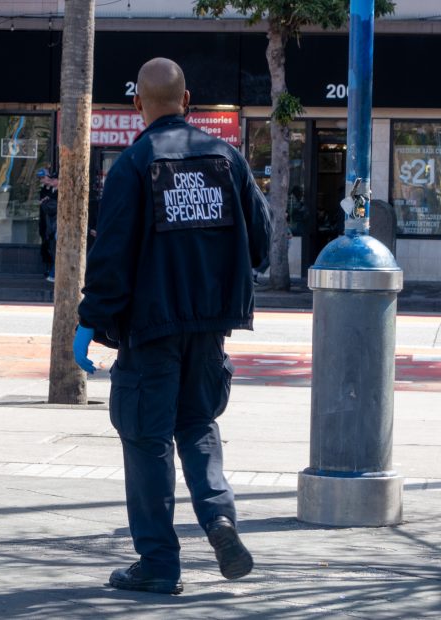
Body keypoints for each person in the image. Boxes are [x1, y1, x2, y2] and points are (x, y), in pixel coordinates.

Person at [73, 58, 271, 595]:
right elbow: (262, 240)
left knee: (146, 440)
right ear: (189, 102)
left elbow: (110, 256)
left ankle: (159, 563)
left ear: (138, 104)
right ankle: (219, 518)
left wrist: (89, 322)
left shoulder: (134, 164)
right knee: (198, 424)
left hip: (151, 330)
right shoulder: (227, 157)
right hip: (209, 329)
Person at [37, 168, 58, 282]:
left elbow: (51, 207)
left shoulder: (55, 191)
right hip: (47, 222)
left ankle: (53, 272)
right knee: (48, 246)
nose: (43, 181)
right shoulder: (45, 190)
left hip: (53, 222)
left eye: (44, 178)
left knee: (54, 246)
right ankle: (51, 270)